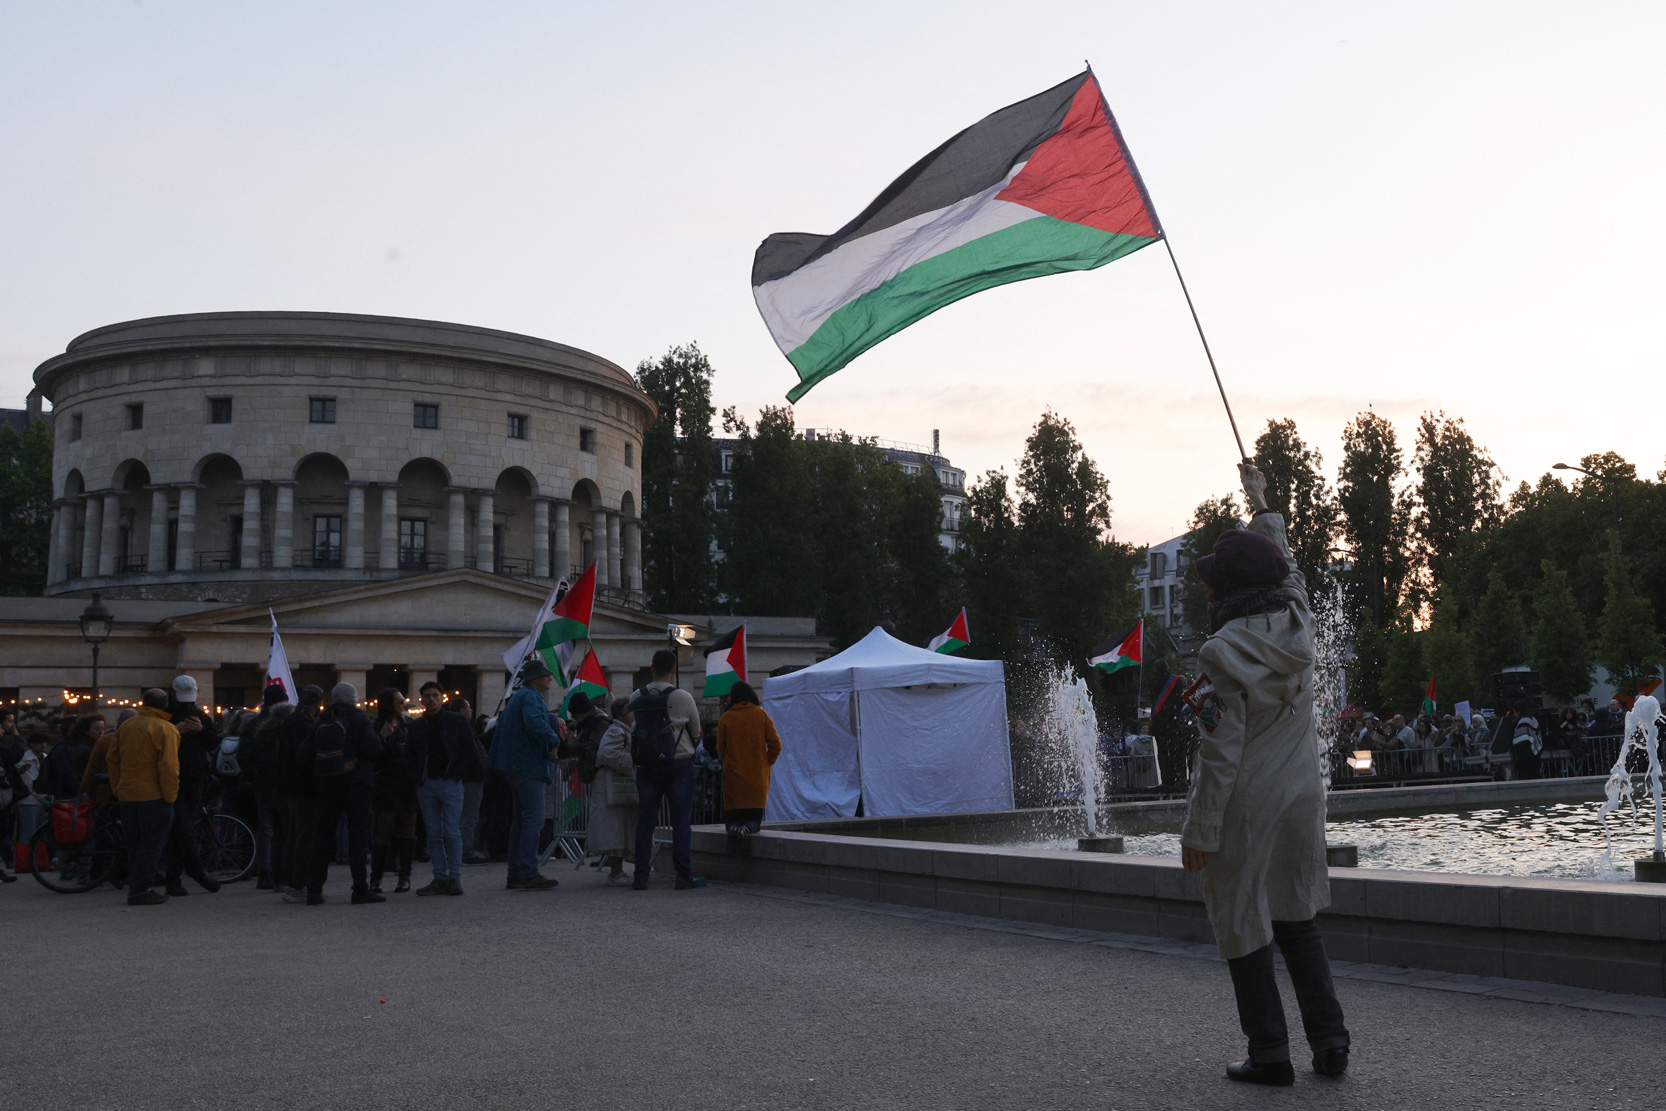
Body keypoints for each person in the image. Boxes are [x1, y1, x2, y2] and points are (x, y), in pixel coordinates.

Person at [1179, 462, 1349, 1085]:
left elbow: (1220, 753)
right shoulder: (1301, 622)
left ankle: (1270, 1054)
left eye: (1211, 580)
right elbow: (1289, 569)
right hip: (1303, 794)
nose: (1206, 589)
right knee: (1297, 916)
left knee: (1242, 921)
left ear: (1227, 591)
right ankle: (1331, 1043)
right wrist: (1261, 503)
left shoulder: (1219, 652)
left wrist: (1200, 830)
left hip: (1248, 802)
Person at [301, 682, 385, 905]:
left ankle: (314, 890)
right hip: (357, 784)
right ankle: (360, 889)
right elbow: (374, 749)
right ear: (354, 699)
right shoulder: (360, 719)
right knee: (358, 837)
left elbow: (303, 755)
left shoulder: (322, 721)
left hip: (328, 785)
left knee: (323, 837)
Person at [629, 649, 703, 891]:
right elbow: (696, 731)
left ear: (651, 668)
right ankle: (683, 875)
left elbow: (634, 730)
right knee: (680, 821)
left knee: (645, 820)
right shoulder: (683, 696)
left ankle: (640, 876)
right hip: (678, 763)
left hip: (647, 765)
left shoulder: (636, 696)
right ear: (674, 670)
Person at [486, 660, 562, 891]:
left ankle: (516, 873)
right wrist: (554, 740)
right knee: (533, 820)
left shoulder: (518, 697)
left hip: (514, 766)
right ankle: (529, 872)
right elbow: (535, 723)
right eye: (545, 675)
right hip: (529, 766)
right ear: (534, 678)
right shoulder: (531, 697)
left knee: (520, 821)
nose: (549, 678)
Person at [105, 689, 180, 906]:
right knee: (152, 844)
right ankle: (140, 890)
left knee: (134, 844)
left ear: (143, 702)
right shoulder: (166, 728)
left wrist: (117, 787)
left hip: (127, 794)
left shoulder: (126, 726)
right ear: (165, 705)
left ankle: (137, 884)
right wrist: (170, 795)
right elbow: (168, 766)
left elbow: (112, 759)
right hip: (154, 795)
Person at [408, 681, 481, 896]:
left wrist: (455, 775)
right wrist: (417, 778)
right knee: (433, 833)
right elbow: (411, 754)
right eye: (427, 696)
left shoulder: (456, 721)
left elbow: (469, 750)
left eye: (435, 695)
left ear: (442, 698)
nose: (431, 699)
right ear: (422, 699)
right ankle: (440, 877)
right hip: (427, 783)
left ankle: (454, 877)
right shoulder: (417, 725)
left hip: (449, 782)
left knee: (451, 831)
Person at [161, 676, 221, 897]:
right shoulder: (165, 716)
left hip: (195, 780)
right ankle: (197, 874)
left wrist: (201, 730)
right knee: (184, 830)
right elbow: (156, 743)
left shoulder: (200, 716)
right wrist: (175, 730)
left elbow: (213, 743)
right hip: (172, 779)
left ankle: (173, 879)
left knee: (182, 831)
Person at [274, 685, 324, 902]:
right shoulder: (305, 725)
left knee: (295, 835)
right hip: (305, 787)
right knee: (304, 837)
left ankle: (292, 880)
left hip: (291, 786)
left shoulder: (290, 722)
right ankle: (299, 884)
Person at [715, 681, 781, 843]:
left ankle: (735, 827)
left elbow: (721, 749)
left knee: (734, 818)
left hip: (733, 780)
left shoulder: (726, 718)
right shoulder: (761, 715)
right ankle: (747, 829)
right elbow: (776, 744)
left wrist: (727, 762)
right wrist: (767, 762)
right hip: (757, 779)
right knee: (754, 820)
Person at [583, 696, 638, 885]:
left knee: (621, 830)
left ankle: (618, 871)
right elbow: (607, 753)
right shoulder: (616, 730)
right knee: (616, 831)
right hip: (612, 788)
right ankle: (616, 872)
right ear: (622, 715)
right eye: (630, 712)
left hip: (618, 788)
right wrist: (633, 760)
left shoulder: (624, 730)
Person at [368, 689, 418, 894]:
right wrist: (382, 737)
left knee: (408, 831)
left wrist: (409, 750)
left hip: (407, 783)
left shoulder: (409, 724)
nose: (402, 704)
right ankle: (376, 877)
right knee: (383, 831)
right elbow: (370, 755)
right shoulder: (375, 726)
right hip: (385, 783)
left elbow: (420, 752)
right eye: (399, 701)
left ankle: (405, 875)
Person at [450, 697, 490, 865]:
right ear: (461, 711)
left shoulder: (460, 727)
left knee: (466, 815)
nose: (471, 710)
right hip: (471, 777)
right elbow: (471, 753)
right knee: (469, 815)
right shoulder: (463, 727)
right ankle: (466, 850)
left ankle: (463, 849)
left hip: (470, 776)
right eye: (468, 707)